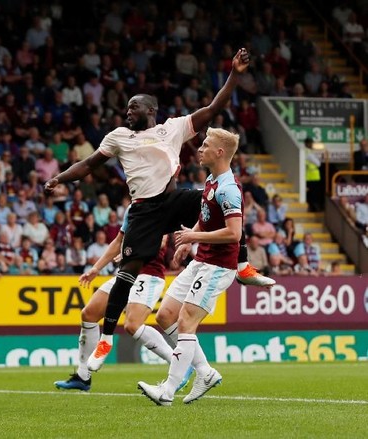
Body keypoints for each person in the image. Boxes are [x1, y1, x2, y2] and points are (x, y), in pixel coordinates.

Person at [44, 48, 273, 366]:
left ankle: (243, 266)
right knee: (127, 274)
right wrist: (59, 178)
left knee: (219, 201)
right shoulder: (119, 136)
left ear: (150, 109)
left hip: (171, 200)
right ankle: (107, 340)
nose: (127, 112)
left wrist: (235, 73)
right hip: (144, 210)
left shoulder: (172, 128)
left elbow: (213, 107)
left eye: (133, 107)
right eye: (126, 108)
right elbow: (88, 164)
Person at [138, 128, 243, 406]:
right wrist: (190, 239)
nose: (200, 148)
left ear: (220, 152)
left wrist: (193, 237)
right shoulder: (211, 180)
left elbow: (235, 233)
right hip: (201, 260)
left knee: (185, 322)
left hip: (218, 266)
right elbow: (206, 216)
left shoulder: (228, 189)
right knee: (165, 316)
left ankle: (168, 390)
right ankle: (205, 373)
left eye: (206, 145)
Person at [54, 228, 193, 392]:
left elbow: (160, 243)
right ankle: (83, 377)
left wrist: (132, 251)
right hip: (126, 273)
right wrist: (96, 268)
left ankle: (179, 364)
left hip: (148, 275)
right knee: (89, 314)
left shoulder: (158, 208)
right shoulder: (132, 209)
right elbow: (118, 242)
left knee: (132, 325)